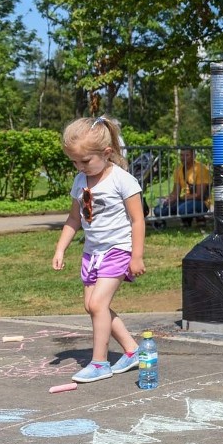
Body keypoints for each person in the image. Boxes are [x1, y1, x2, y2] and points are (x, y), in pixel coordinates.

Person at [52, 116, 146, 383]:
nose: (80, 167)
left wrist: (136, 256)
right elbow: (73, 219)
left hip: (117, 249)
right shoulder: (80, 181)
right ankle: (132, 350)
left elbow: (138, 220)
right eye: (74, 162)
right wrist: (61, 249)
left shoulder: (122, 180)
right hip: (92, 252)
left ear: (106, 153)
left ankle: (99, 362)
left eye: (85, 161)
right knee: (92, 307)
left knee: (97, 304)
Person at [153, 148, 211, 225]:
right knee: (158, 210)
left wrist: (182, 198)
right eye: (181, 155)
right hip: (184, 201)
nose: (183, 158)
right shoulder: (178, 170)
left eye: (187, 155)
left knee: (182, 209)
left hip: (201, 202)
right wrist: (169, 199)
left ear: (194, 156)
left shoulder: (201, 169)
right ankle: (185, 218)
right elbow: (175, 192)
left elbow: (199, 195)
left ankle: (197, 216)